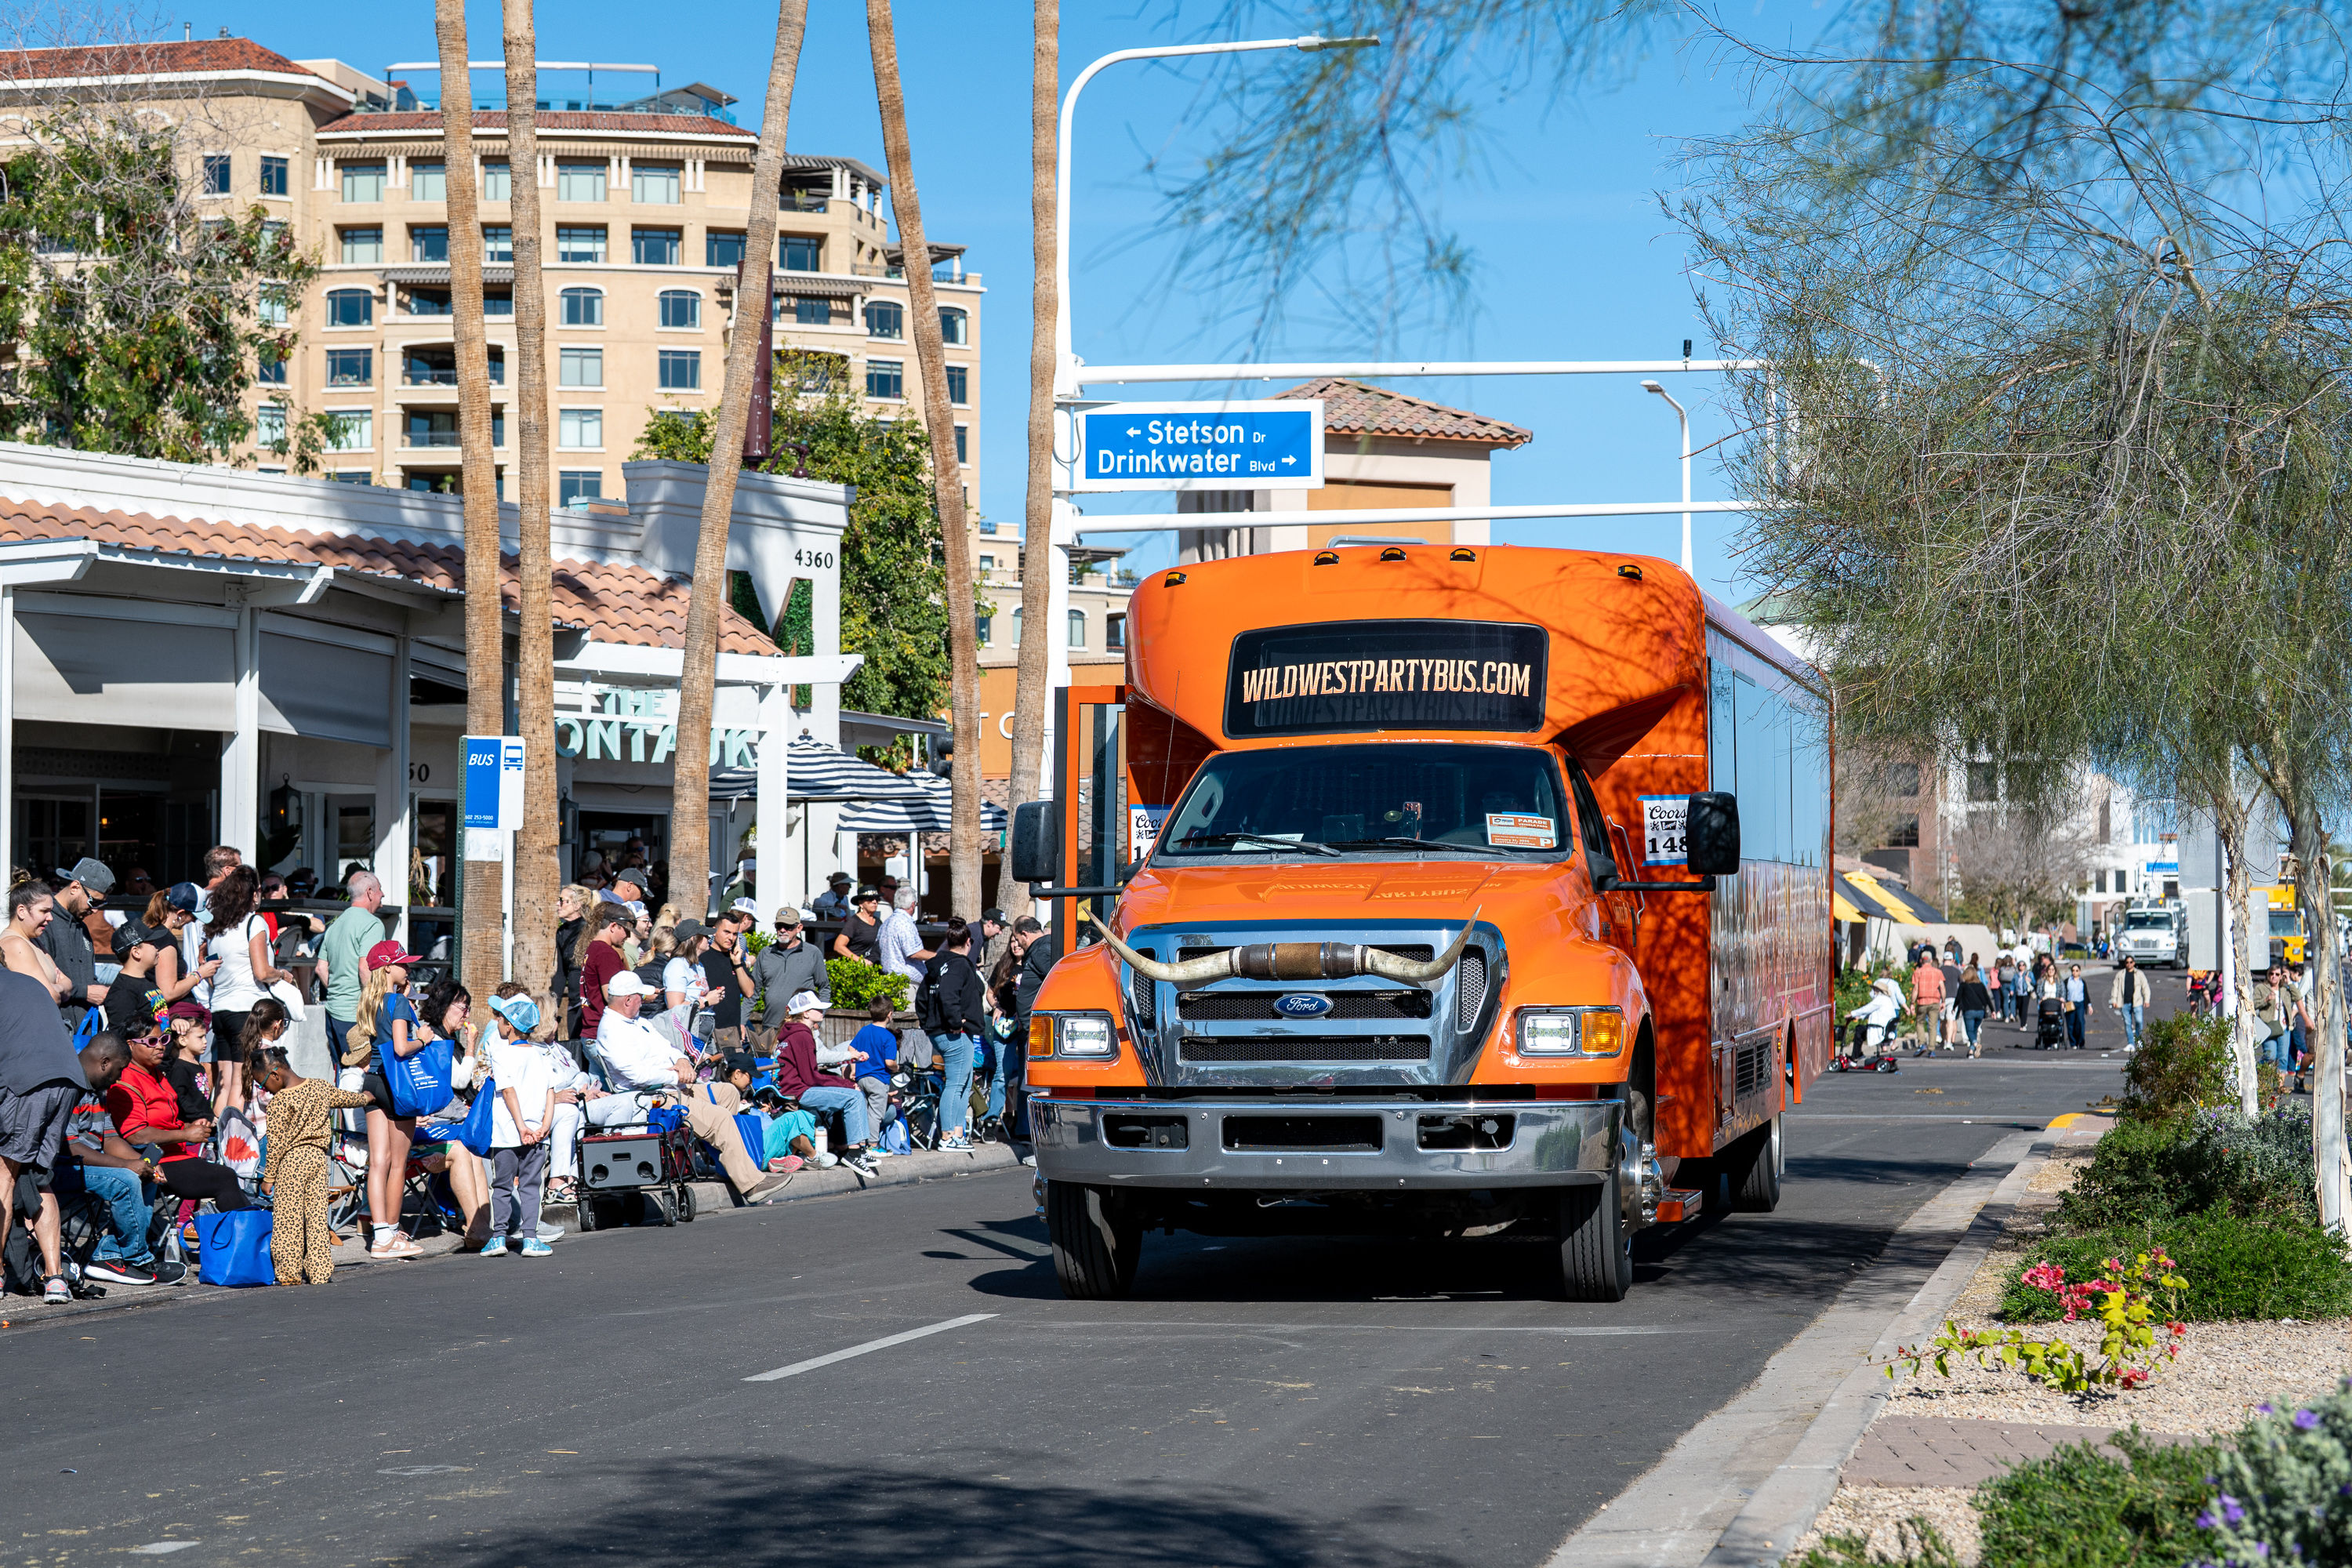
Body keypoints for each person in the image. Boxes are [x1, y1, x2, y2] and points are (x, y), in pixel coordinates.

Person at [590, 971, 782, 1198]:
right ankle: (750, 1184)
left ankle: (728, 1167)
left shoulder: (637, 1022)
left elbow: (667, 1047)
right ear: (628, 1000)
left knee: (728, 1092)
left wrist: (681, 1061)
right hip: (652, 1097)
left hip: (670, 1087)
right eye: (640, 997)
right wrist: (675, 1076)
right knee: (719, 1118)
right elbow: (635, 1076)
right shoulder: (612, 1030)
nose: (643, 1001)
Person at [55, 1033, 182, 1287]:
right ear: (104, 1062)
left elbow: (111, 1140)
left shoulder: (97, 1091)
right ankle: (135, 1258)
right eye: (120, 1069)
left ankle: (112, 1254)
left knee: (144, 1177)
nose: (120, 1077)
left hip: (88, 1167)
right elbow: (72, 1147)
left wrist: (143, 1164)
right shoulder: (67, 1086)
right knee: (125, 1179)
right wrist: (127, 1166)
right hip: (60, 1169)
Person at [0, 967, 93, 1301]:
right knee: (39, 1179)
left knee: (5, 1176)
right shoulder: (29, 983)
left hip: (29, 1083)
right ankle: (56, 1280)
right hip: (67, 1080)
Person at [250, 1045, 372, 1285]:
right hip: (318, 1160)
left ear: (275, 1074)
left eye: (263, 1083)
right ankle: (319, 1271)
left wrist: (269, 1178)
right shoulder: (319, 1086)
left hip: (292, 1163)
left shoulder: (279, 1103)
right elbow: (346, 1098)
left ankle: (289, 1273)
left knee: (289, 1220)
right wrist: (366, 1098)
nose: (263, 1089)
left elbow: (275, 1146)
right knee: (316, 1219)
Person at [105, 1020, 249, 1218]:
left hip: (176, 1155)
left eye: (163, 1039)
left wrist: (189, 1126)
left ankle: (247, 1236)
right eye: (152, 1041)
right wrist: (184, 1134)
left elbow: (167, 1120)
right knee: (225, 1177)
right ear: (131, 1045)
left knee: (227, 1175)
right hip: (153, 1161)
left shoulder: (156, 1074)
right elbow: (136, 1135)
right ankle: (247, 1237)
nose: (160, 1045)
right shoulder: (125, 1081)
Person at [343, 939, 427, 1261]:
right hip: (398, 1085)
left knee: (377, 1162)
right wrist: (422, 1038)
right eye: (403, 963)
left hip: (373, 1081)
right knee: (397, 1163)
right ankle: (392, 1234)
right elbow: (402, 1049)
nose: (408, 968)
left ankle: (379, 1234)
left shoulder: (369, 1001)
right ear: (388, 967)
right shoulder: (398, 1003)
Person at [199, 866, 292, 1115]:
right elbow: (262, 972)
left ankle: (218, 1143)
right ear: (253, 894)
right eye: (260, 889)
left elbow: (208, 970)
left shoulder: (216, 927)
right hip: (246, 1010)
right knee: (241, 1084)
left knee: (225, 1083)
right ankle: (233, 1147)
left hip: (220, 1008)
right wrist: (282, 975)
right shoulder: (255, 922)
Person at [770, 989, 880, 1175]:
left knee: (852, 1093)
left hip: (792, 1089)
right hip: (800, 1092)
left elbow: (810, 1074)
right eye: (817, 1008)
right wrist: (845, 1084)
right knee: (854, 1096)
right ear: (805, 1013)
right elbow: (811, 1078)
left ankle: (858, 1150)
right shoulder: (802, 1035)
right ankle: (854, 1153)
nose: (822, 1012)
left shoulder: (793, 1033)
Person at [481, 992, 556, 1258]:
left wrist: (521, 1126)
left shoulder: (502, 1054)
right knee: (531, 1186)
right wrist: (543, 1126)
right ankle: (531, 1239)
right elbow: (550, 1092)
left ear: (509, 1026)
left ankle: (499, 1236)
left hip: (507, 1134)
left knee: (502, 1187)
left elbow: (508, 1091)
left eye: (500, 1017)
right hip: (537, 1135)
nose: (497, 1021)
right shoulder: (541, 1055)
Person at [917, 918, 988, 1150]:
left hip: (946, 1031)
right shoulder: (959, 964)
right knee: (957, 1084)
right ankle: (947, 1136)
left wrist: (930, 1024)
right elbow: (948, 994)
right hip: (954, 1032)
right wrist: (954, 1022)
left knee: (964, 1084)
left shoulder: (938, 964)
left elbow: (922, 1000)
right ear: (969, 942)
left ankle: (957, 1133)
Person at [317, 871, 387, 1068]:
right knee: (360, 1079)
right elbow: (365, 969)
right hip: (356, 1016)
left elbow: (321, 968)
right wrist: (379, 1006)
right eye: (380, 890)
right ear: (370, 892)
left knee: (342, 1075)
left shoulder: (335, 925)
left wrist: (340, 990)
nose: (382, 895)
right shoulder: (372, 924)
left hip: (333, 1013)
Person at [40, 857, 114, 1033]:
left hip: (86, 1033)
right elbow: (40, 982)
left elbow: (88, 976)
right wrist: (86, 992)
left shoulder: (82, 928)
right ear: (75, 887)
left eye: (101, 904)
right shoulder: (44, 922)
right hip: (56, 1031)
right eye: (94, 902)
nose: (95, 910)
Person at [754, 909, 829, 1046]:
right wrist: (741, 1022)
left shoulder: (812, 953)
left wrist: (818, 1018)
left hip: (802, 1028)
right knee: (770, 1067)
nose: (783, 930)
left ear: (799, 928)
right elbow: (753, 992)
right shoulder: (765, 953)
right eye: (779, 926)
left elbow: (824, 988)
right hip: (770, 1027)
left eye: (788, 927)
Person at [145, 884, 220, 1007]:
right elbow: (168, 993)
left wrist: (187, 978)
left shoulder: (153, 933)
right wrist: (200, 974)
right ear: (180, 913)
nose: (194, 921)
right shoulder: (165, 939)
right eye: (194, 917)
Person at [2, 880, 73, 1010]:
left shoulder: (34, 942)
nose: (50, 918)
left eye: (50, 911)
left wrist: (58, 988)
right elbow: (48, 997)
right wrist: (56, 988)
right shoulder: (16, 945)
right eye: (44, 911)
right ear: (22, 911)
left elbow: (69, 985)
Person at [844, 997, 900, 1138]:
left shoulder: (864, 1030)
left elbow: (851, 1048)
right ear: (890, 1014)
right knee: (875, 1114)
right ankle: (874, 1145)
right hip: (879, 1080)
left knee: (862, 1112)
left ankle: (861, 1143)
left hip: (862, 1078)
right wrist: (897, 1067)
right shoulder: (889, 1037)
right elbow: (889, 1062)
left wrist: (854, 1069)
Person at [103, 924, 171, 1038]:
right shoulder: (122, 991)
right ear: (136, 952)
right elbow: (120, 1036)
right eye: (152, 944)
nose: (157, 948)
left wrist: (174, 1022)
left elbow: (158, 1018)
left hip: (161, 1053)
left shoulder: (147, 982)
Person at [702, 909, 757, 1048]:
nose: (731, 938)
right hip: (707, 1031)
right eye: (726, 932)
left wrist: (738, 963)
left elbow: (749, 992)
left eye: (734, 934)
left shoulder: (736, 959)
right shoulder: (702, 957)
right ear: (714, 931)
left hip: (732, 1033)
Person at [578, 902, 633, 1037]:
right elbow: (612, 997)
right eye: (626, 930)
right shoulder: (605, 953)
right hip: (603, 1033)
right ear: (613, 926)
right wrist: (642, 996)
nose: (628, 936)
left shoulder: (593, 947)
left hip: (593, 1030)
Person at [552, 884, 589, 1038]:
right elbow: (561, 973)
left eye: (562, 900)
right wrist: (553, 1008)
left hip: (587, 999)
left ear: (577, 905)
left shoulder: (588, 929)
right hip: (573, 1001)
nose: (558, 904)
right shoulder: (562, 932)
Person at [878, 887, 932, 987]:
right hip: (906, 984)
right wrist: (939, 956)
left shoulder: (886, 923)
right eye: (916, 905)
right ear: (912, 905)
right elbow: (914, 953)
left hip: (890, 980)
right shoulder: (904, 923)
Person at [831, 887, 884, 964]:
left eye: (877, 899)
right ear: (861, 904)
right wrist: (860, 961)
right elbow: (838, 946)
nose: (875, 902)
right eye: (870, 899)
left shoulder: (878, 922)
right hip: (859, 970)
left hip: (876, 969)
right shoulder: (854, 922)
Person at [2110, 956, 2153, 1051]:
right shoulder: (2120, 974)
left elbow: (2145, 987)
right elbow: (2115, 988)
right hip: (2124, 1003)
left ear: (2134, 963)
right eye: (2127, 962)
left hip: (2137, 1002)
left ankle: (2138, 1040)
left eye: (2131, 962)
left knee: (2139, 1022)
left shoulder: (2139, 974)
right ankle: (2130, 1043)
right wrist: (2114, 1000)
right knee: (2127, 1023)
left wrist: (2147, 1000)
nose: (2129, 964)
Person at [1908, 949, 1947, 1054]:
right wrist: (1943, 1001)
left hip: (1922, 1001)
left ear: (1921, 960)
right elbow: (1942, 988)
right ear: (1931, 961)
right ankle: (1932, 1049)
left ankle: (1922, 1044)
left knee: (1920, 1023)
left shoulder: (1918, 972)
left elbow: (1916, 989)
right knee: (1933, 1025)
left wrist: (1912, 1003)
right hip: (1934, 1001)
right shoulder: (1938, 972)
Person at [1954, 965, 1992, 1058]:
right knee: (1974, 1032)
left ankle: (1975, 1045)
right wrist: (1993, 1010)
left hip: (1969, 1011)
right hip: (1980, 1012)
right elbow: (1986, 998)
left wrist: (1955, 1008)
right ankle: (1971, 1052)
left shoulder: (1964, 986)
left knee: (1969, 1032)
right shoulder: (1980, 985)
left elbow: (1959, 998)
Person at [2063, 963, 2091, 1050]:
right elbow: (2064, 993)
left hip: (2080, 1004)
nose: (2075, 972)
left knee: (2080, 1022)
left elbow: (2086, 994)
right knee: (2070, 1024)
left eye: (2077, 971)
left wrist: (2089, 1005)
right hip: (2070, 1003)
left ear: (2080, 972)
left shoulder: (2082, 982)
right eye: (2073, 971)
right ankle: (2073, 1043)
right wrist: (2063, 1003)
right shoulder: (2067, 981)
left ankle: (2081, 1042)